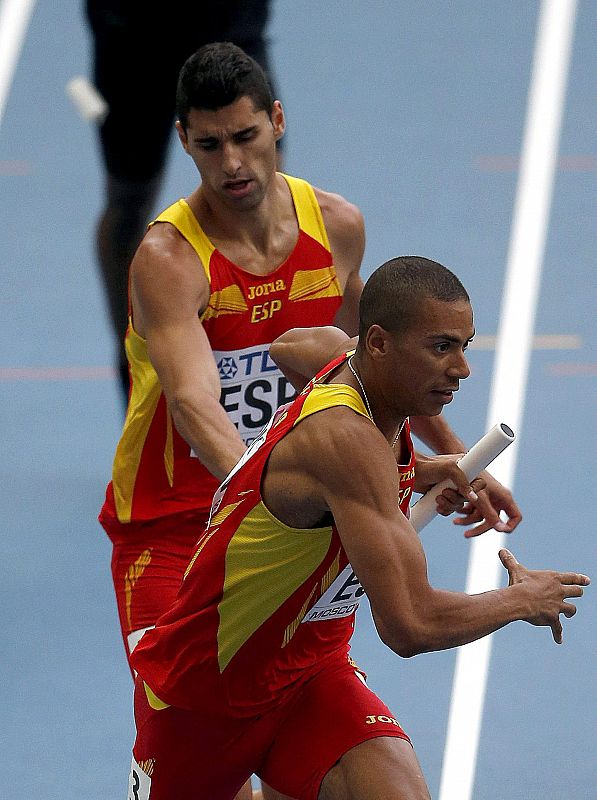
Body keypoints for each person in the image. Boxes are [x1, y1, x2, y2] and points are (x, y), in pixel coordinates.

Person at [126, 257, 589, 799]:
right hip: (203, 699)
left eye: (465, 344)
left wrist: (429, 466)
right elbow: (410, 624)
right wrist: (523, 600)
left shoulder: (343, 363)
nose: (462, 368)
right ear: (378, 343)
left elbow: (287, 346)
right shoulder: (346, 442)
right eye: (441, 347)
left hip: (308, 677)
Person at [85, 0, 281, 404]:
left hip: (230, 18)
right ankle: (139, 376)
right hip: (132, 29)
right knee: (128, 201)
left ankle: (262, 374)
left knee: (260, 192)